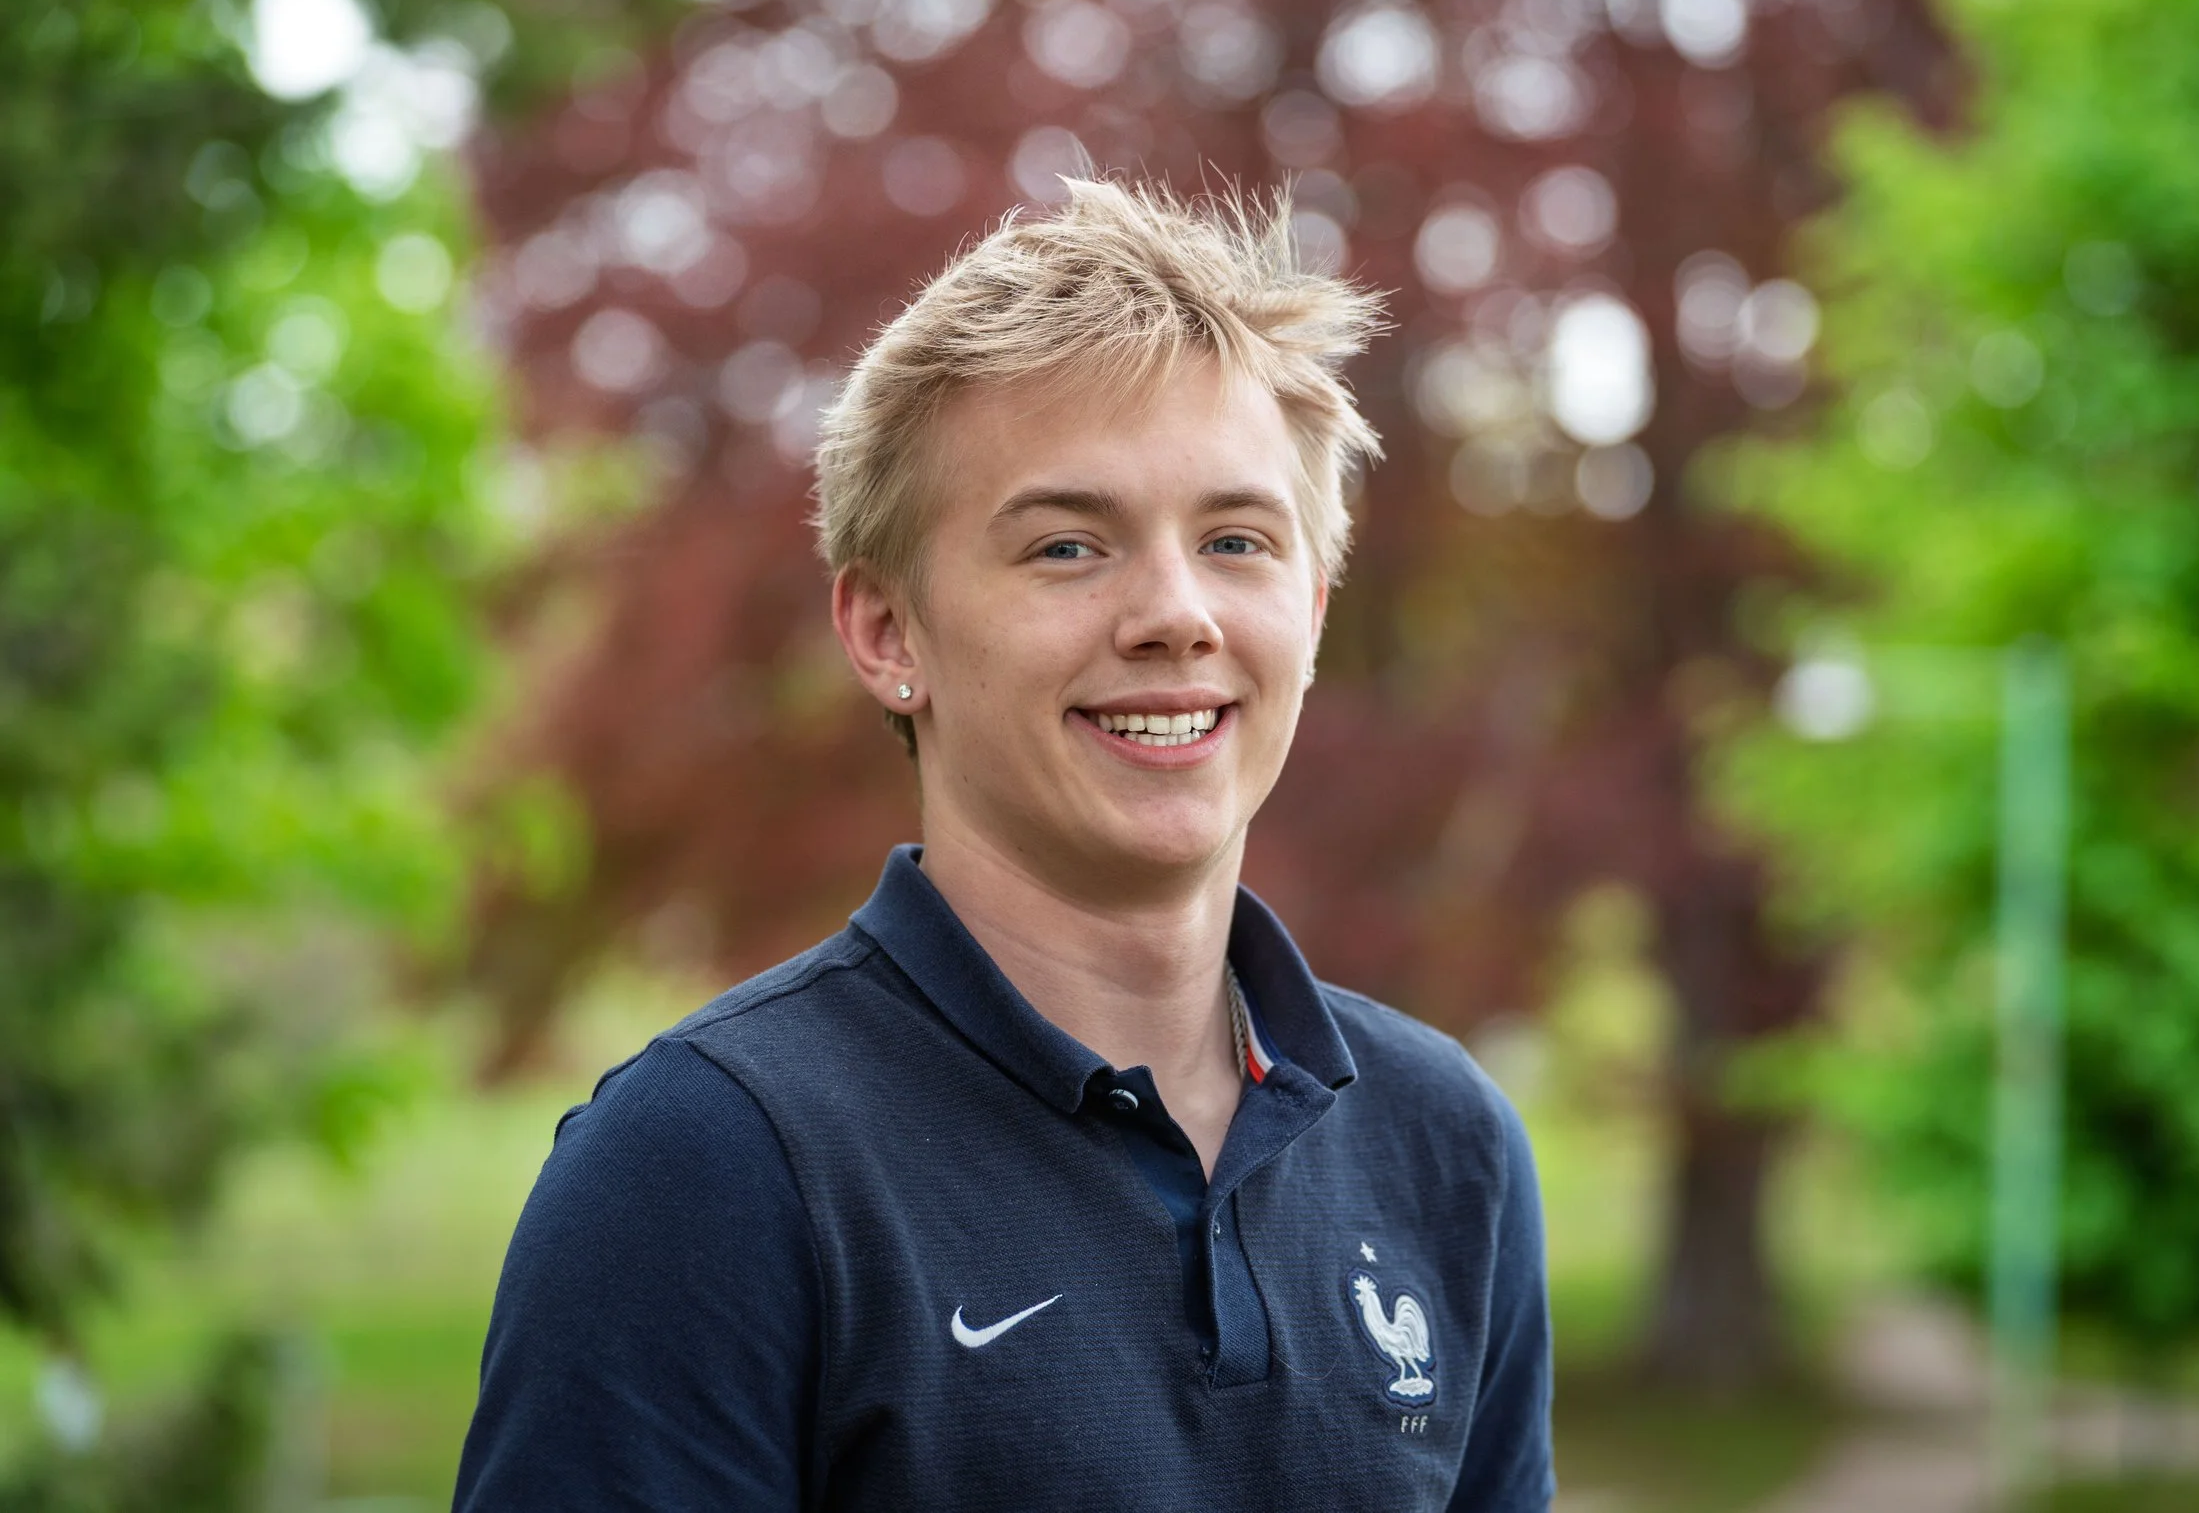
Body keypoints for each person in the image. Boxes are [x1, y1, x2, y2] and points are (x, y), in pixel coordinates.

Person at [451, 179, 1554, 1510]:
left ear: (1312, 613)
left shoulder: (1448, 1150)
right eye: (1069, 544)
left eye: (1237, 539)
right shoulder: (706, 1170)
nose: (1176, 613)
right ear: (888, 634)